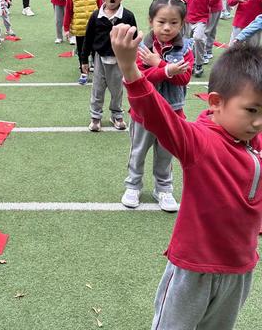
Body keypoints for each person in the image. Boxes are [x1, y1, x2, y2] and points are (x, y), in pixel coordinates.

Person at [110, 26, 262, 330]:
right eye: (251, 110)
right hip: (193, 269)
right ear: (216, 102)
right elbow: (159, 117)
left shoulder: (254, 144)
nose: (258, 122)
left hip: (239, 268)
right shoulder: (200, 142)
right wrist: (129, 67)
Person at [121, 0, 193, 211]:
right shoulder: (141, 45)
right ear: (151, 20)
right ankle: (133, 185)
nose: (167, 28)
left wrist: (158, 64)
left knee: (165, 153)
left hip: (171, 112)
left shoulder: (186, 47)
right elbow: (139, 76)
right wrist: (167, 70)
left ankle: (163, 188)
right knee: (138, 150)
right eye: (161, 22)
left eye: (174, 23)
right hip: (143, 111)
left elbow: (185, 77)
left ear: (182, 23)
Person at [80, 0, 136, 131]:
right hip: (99, 59)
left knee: (117, 90)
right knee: (97, 88)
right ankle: (95, 116)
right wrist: (84, 60)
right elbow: (88, 39)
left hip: (119, 60)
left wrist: (133, 61)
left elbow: (134, 38)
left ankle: (116, 115)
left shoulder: (127, 16)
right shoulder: (96, 16)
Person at [172, 0, 222, 77]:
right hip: (186, 18)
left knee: (198, 38)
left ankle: (198, 64)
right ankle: (186, 62)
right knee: (185, 41)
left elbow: (212, 2)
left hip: (201, 18)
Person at [63, 0, 102, 85]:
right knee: (82, 53)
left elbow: (102, 9)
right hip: (80, 30)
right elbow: (68, 12)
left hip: (95, 30)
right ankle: (84, 72)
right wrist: (66, 28)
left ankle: (98, 71)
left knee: (96, 51)